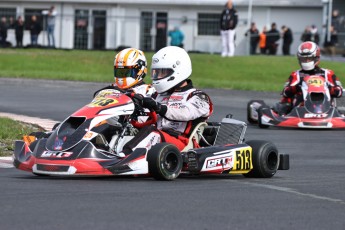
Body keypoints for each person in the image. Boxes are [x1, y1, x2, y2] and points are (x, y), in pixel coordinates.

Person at [118, 46, 213, 157]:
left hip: (181, 144)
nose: (158, 76)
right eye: (156, 73)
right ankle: (105, 152)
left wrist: (159, 107)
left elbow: (186, 113)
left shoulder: (198, 96)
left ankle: (124, 157)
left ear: (178, 70)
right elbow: (148, 119)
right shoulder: (158, 95)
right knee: (122, 129)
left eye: (162, 73)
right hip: (158, 140)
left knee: (152, 131)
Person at [276, 41, 343, 115]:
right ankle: (286, 113)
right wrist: (296, 87)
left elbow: (339, 92)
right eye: (304, 59)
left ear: (316, 57)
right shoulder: (296, 74)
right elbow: (285, 93)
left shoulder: (328, 73)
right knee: (286, 104)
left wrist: (330, 88)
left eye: (309, 58)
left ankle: (331, 113)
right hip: (301, 110)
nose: (306, 61)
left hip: (326, 109)